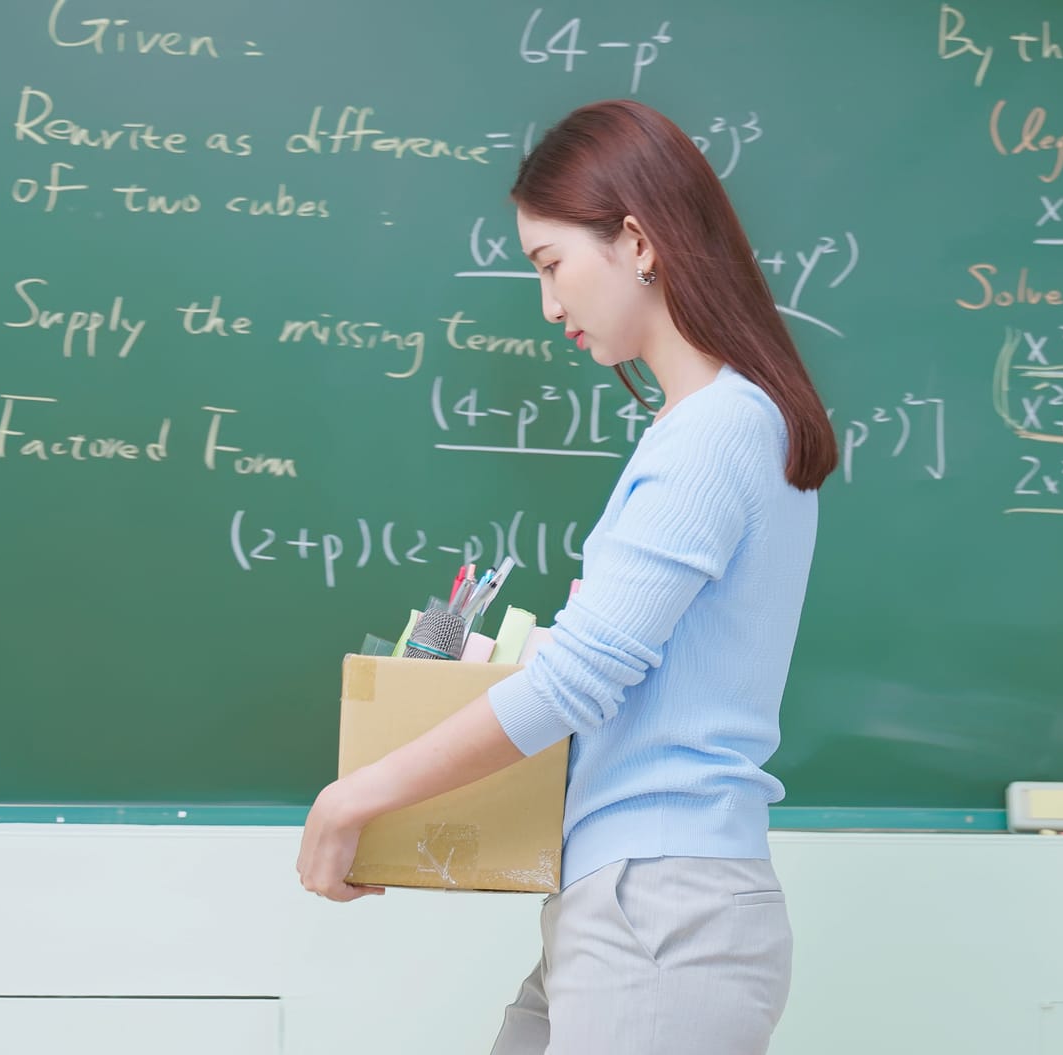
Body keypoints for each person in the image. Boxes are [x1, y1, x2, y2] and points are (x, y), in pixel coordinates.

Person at [294, 97, 838, 1055]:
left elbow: (582, 679)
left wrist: (357, 795)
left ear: (637, 241)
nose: (548, 306)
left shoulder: (712, 432)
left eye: (551, 265)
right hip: (634, 897)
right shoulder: (717, 424)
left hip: (660, 907)